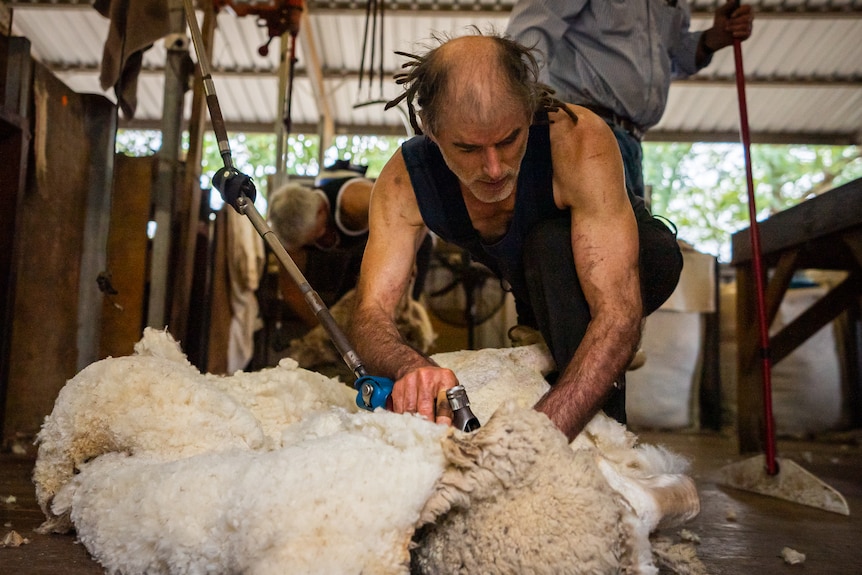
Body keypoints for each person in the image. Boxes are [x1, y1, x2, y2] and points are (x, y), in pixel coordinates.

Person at [348, 31, 683, 441]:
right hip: (532, 284)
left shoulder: (577, 139)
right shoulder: (405, 182)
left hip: (635, 262)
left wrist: (531, 438)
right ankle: (558, 347)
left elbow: (617, 313)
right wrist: (410, 366)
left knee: (550, 248)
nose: (493, 168)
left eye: (509, 140)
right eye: (468, 149)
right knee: (544, 276)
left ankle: (606, 440)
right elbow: (370, 314)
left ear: (528, 113)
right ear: (430, 130)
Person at [505, 0, 754, 198]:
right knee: (594, 246)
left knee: (628, 248)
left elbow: (668, 59)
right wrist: (543, 117)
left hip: (631, 143)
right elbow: (528, 31)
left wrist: (711, 40)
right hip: (584, 129)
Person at [267, 164, 373, 328]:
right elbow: (292, 291)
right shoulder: (292, 235)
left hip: (397, 236)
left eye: (317, 233)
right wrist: (326, 331)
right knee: (344, 315)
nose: (317, 243)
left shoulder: (356, 201)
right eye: (308, 242)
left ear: (321, 210)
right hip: (353, 258)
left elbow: (409, 212)